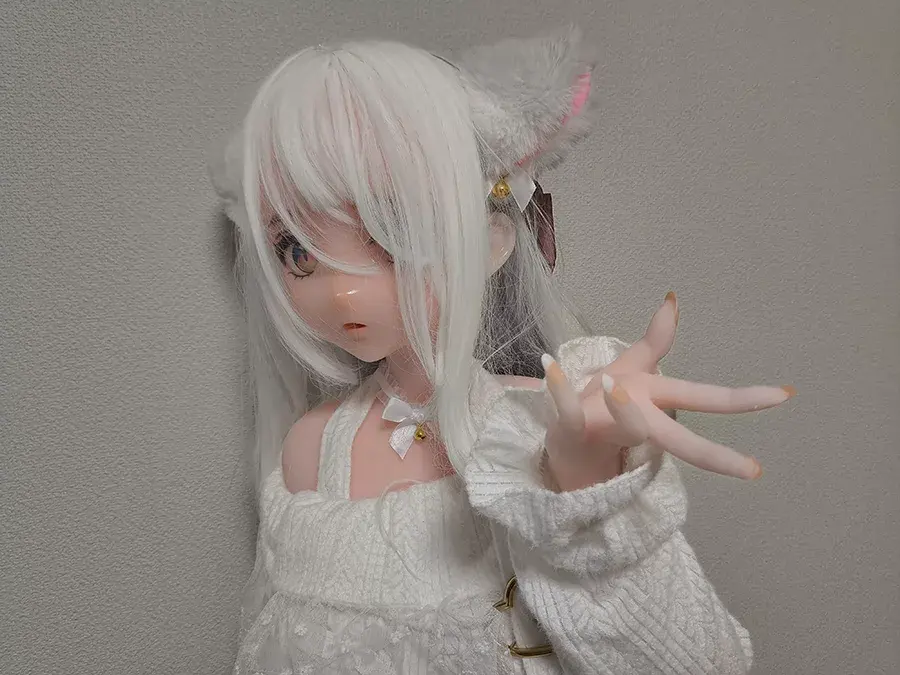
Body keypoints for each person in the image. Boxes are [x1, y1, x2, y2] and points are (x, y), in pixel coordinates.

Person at [209, 27, 795, 674]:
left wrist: (585, 491)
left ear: (490, 241)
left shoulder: (529, 431)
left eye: (389, 231)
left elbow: (695, 662)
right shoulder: (311, 449)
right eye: (297, 251)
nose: (342, 290)